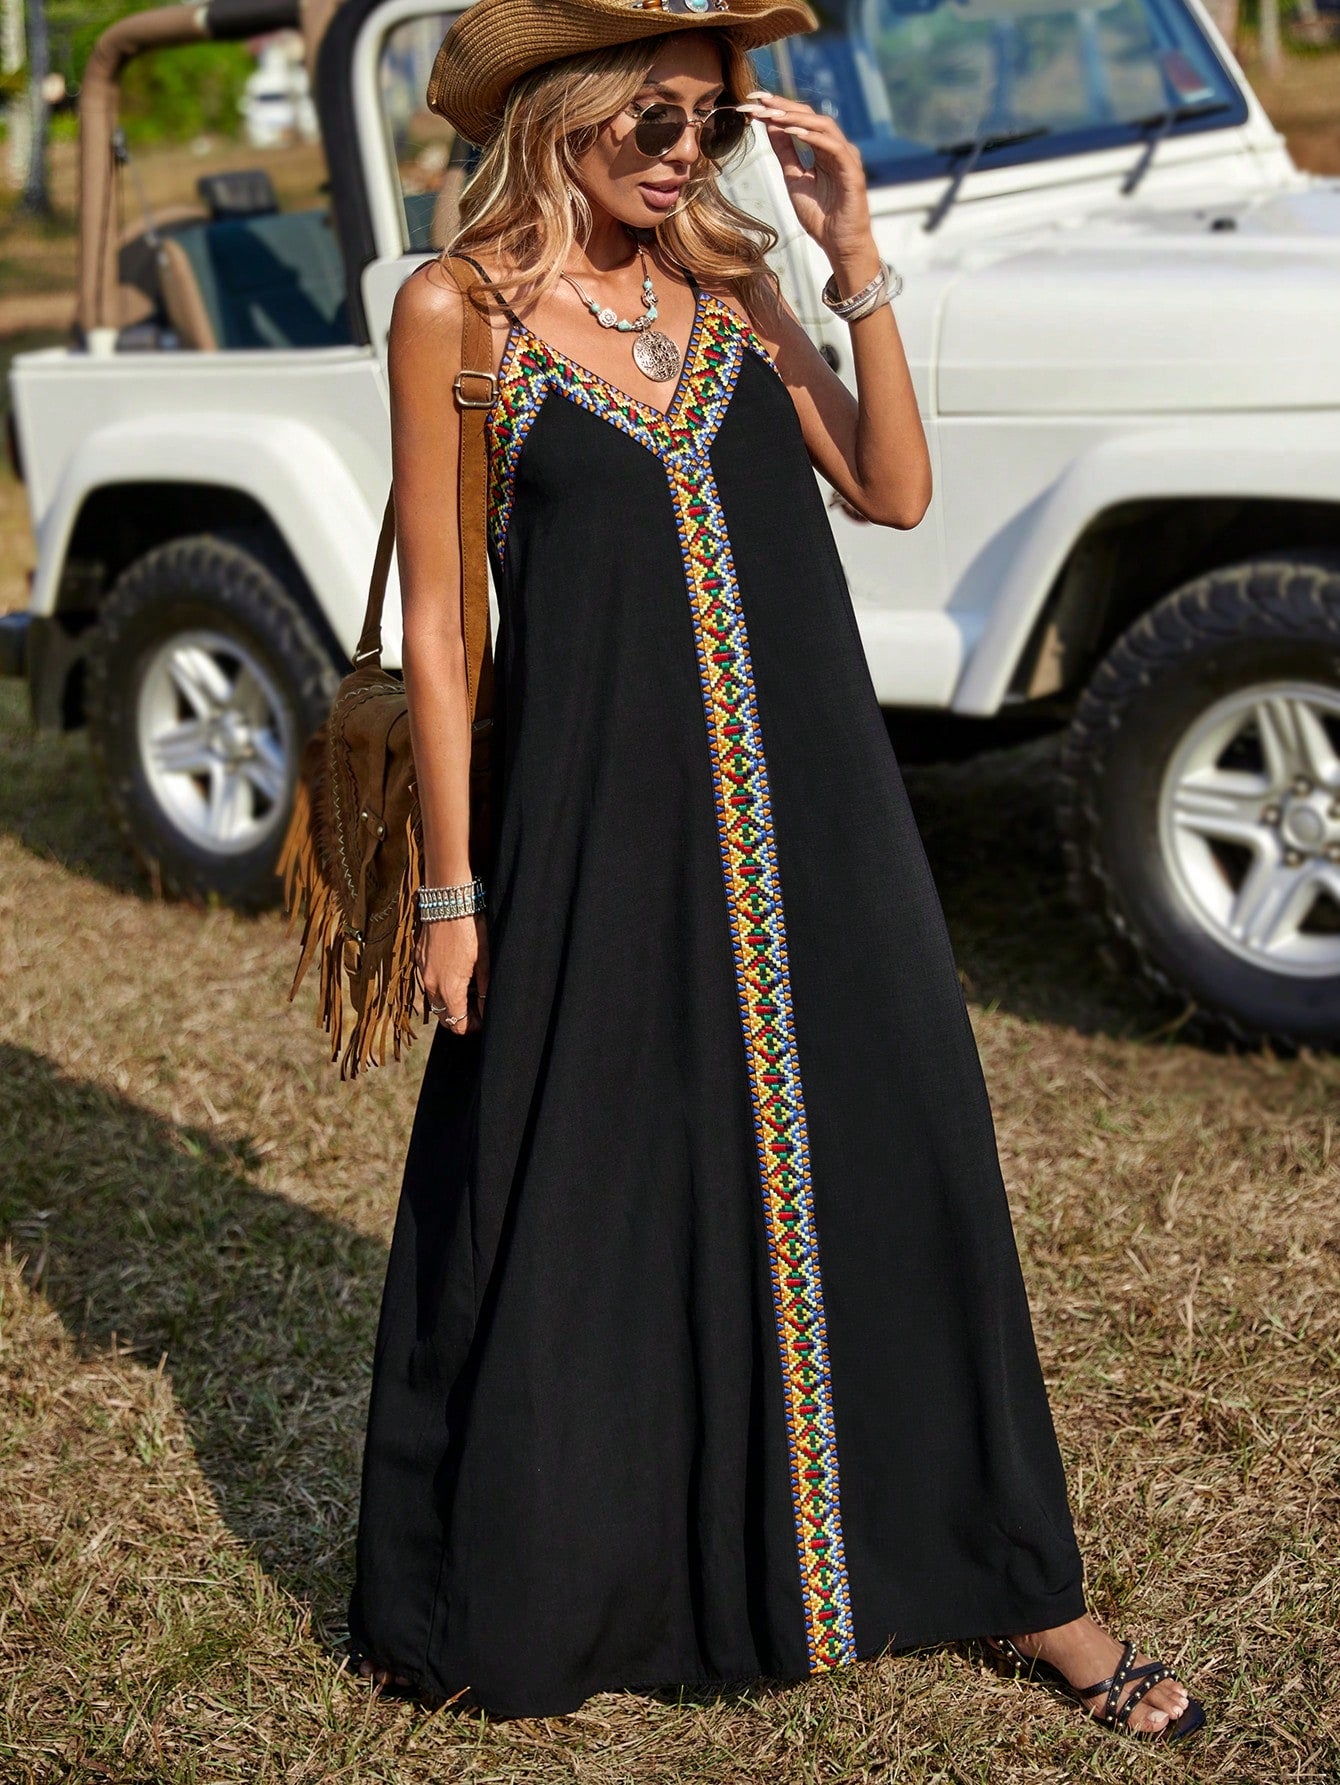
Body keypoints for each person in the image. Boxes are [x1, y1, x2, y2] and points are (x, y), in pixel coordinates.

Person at [346, 0, 1204, 1741]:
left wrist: (854, 259)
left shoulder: (734, 284)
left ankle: (1027, 1586)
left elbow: (893, 489)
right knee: (589, 1186)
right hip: (594, 823)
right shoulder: (458, 313)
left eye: (711, 122)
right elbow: (442, 626)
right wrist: (451, 886)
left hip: (823, 814)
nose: (686, 153)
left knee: (905, 1161)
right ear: (566, 111)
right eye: (654, 120)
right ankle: (585, 1577)